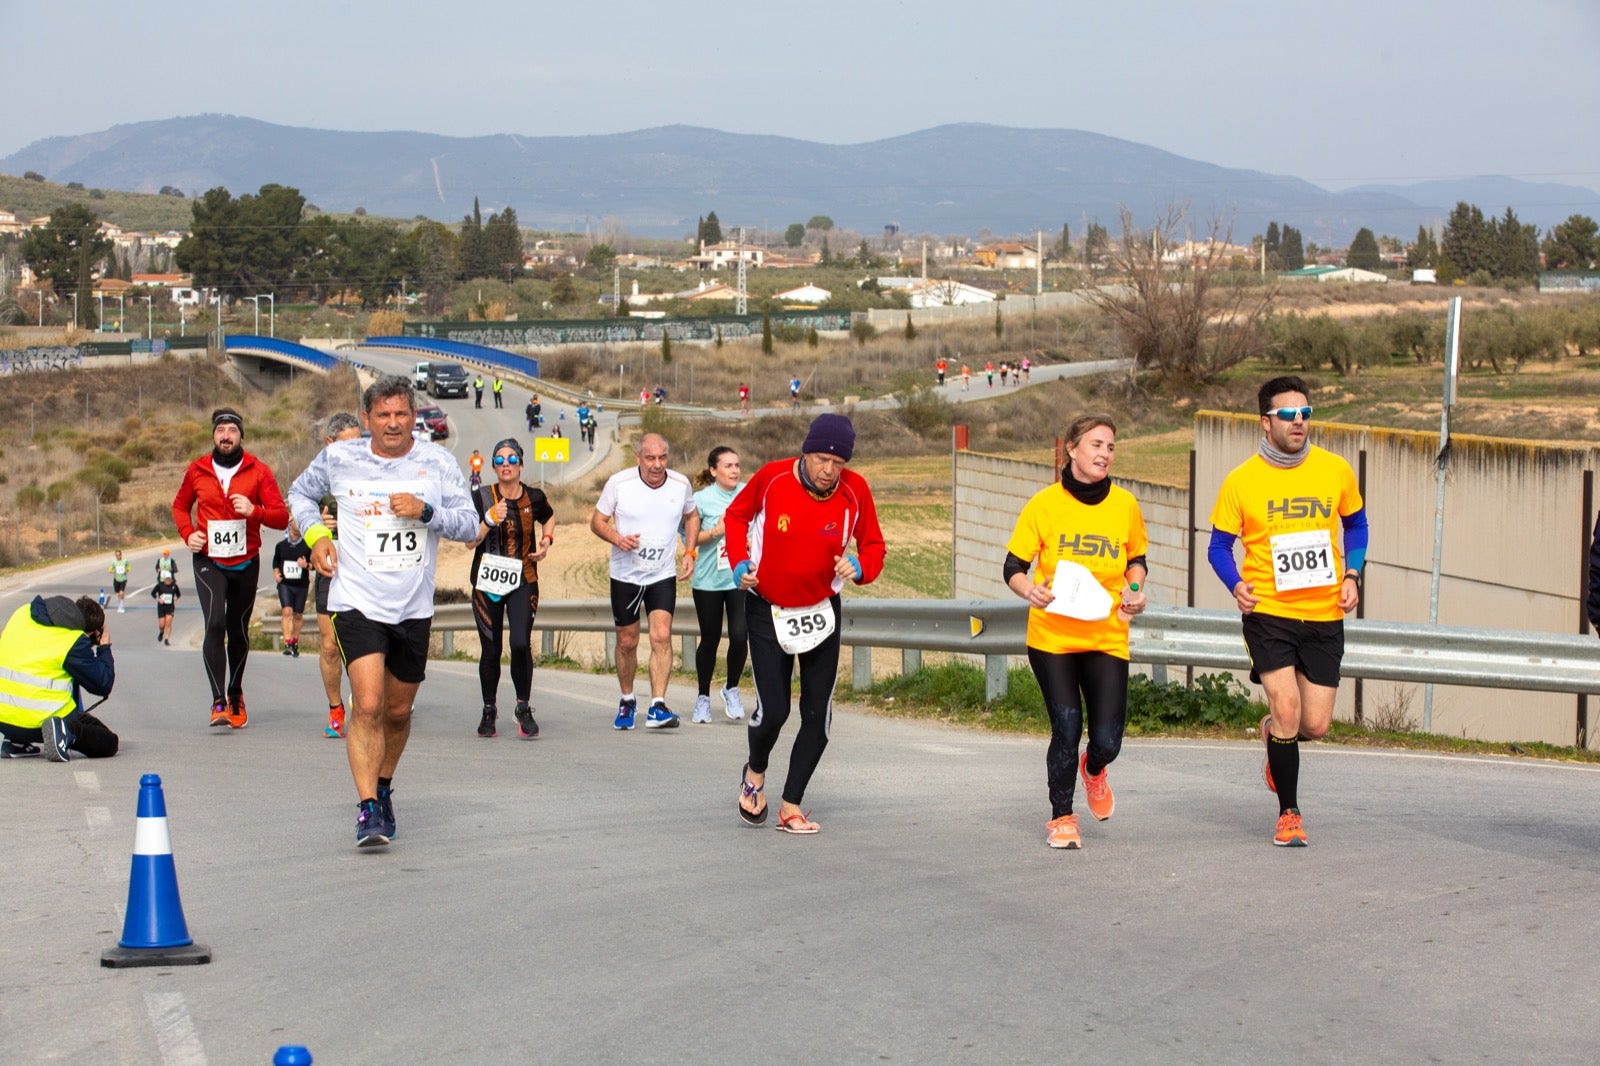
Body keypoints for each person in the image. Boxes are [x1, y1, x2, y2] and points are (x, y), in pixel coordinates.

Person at [289, 375, 479, 848]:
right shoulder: (340, 458)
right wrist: (316, 537)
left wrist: (426, 511)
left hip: (412, 606)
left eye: (402, 414)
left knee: (397, 710)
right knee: (368, 704)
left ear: (414, 417)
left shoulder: (436, 461)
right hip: (357, 599)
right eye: (383, 415)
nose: (393, 423)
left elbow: (471, 526)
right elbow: (299, 494)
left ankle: (385, 784)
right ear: (368, 418)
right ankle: (368, 807)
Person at [1208, 375, 1366, 848]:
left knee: (1313, 725)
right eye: (1288, 415)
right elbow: (1218, 546)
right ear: (1266, 422)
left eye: (1305, 413)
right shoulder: (1241, 481)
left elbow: (1355, 526)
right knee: (1288, 707)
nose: (1299, 422)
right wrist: (1236, 584)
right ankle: (1289, 814)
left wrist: (1353, 575)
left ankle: (1273, 734)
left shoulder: (1335, 470)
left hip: (1322, 613)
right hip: (1269, 612)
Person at [724, 414, 885, 834]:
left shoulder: (855, 491)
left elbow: (874, 545)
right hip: (767, 606)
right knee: (774, 710)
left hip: (820, 610)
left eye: (837, 462)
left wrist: (861, 565)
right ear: (805, 453)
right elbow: (736, 518)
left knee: (818, 717)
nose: (828, 470)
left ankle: (791, 805)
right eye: (819, 459)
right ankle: (755, 771)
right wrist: (740, 561)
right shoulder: (773, 478)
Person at [1003, 414, 1148, 850]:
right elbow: (1013, 567)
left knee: (1107, 739)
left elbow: (1136, 561)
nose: (1104, 453)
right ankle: (1061, 817)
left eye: (1110, 447)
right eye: (1096, 445)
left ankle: (1095, 768)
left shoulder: (1125, 505)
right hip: (1053, 637)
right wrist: (1030, 589)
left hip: (1106, 635)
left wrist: (1135, 590)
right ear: (1072, 449)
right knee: (1066, 727)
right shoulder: (1044, 505)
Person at [171, 407, 289, 730]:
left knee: (237, 629)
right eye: (220, 430)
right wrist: (187, 534)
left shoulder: (258, 471)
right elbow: (180, 507)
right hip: (209, 559)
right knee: (215, 623)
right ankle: (217, 702)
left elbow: (281, 516)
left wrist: (255, 510)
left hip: (246, 560)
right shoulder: (197, 470)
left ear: (240, 436)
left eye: (232, 431)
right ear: (213, 435)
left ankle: (235, 693)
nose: (226, 436)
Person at [589, 432, 699, 730]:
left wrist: (689, 551)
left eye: (662, 458)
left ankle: (658, 705)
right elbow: (597, 522)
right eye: (650, 458)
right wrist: (617, 538)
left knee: (661, 636)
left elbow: (691, 516)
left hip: (661, 574)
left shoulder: (680, 483)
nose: (657, 465)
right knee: (627, 641)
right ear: (638, 457)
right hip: (626, 574)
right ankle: (627, 700)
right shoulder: (619, 484)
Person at [470, 438, 556, 739]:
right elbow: (469, 540)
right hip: (487, 582)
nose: (505, 464)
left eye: (511, 459)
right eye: (499, 459)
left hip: (523, 578)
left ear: (521, 464)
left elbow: (549, 516)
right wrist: (488, 521)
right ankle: (489, 709)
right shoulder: (480, 497)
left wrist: (546, 542)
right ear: (493, 466)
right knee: (491, 648)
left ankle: (523, 706)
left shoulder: (534, 496)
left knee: (520, 644)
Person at [0, 595, 117, 761]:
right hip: (37, 722)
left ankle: (15, 743)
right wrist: (104, 646)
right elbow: (103, 684)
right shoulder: (72, 640)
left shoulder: (23, 613)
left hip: (4, 719)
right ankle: (65, 732)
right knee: (108, 741)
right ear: (90, 632)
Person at [687, 446, 748, 725]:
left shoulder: (749, 493)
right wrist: (716, 531)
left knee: (739, 636)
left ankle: (731, 687)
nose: (734, 470)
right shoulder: (700, 499)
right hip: (709, 580)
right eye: (728, 466)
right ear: (713, 471)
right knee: (709, 639)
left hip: (740, 578)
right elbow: (689, 539)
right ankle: (702, 698)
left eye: (737, 465)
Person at [314, 411, 363, 738]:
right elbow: (295, 523)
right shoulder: (316, 478)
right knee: (330, 645)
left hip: (366, 565)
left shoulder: (375, 471)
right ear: (330, 444)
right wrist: (317, 530)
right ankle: (335, 707)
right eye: (349, 445)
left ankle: (366, 700)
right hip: (331, 567)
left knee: (365, 642)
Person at [272, 521, 312, 658]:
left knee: (298, 615)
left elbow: (313, 565)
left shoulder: (306, 546)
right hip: (285, 584)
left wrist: (305, 564)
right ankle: (287, 642)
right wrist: (276, 573)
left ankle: (294, 641)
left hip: (301, 585)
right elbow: (276, 562)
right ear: (289, 528)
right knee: (287, 611)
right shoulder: (281, 546)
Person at [152, 571, 180, 646]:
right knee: (162, 625)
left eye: (169, 578)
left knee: (168, 623)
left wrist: (176, 597)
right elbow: (153, 593)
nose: (168, 580)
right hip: (161, 607)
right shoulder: (159, 585)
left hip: (170, 607)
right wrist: (158, 599)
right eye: (166, 578)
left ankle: (166, 639)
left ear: (171, 578)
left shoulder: (174, 586)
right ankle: (161, 632)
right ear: (164, 579)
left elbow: (178, 594)